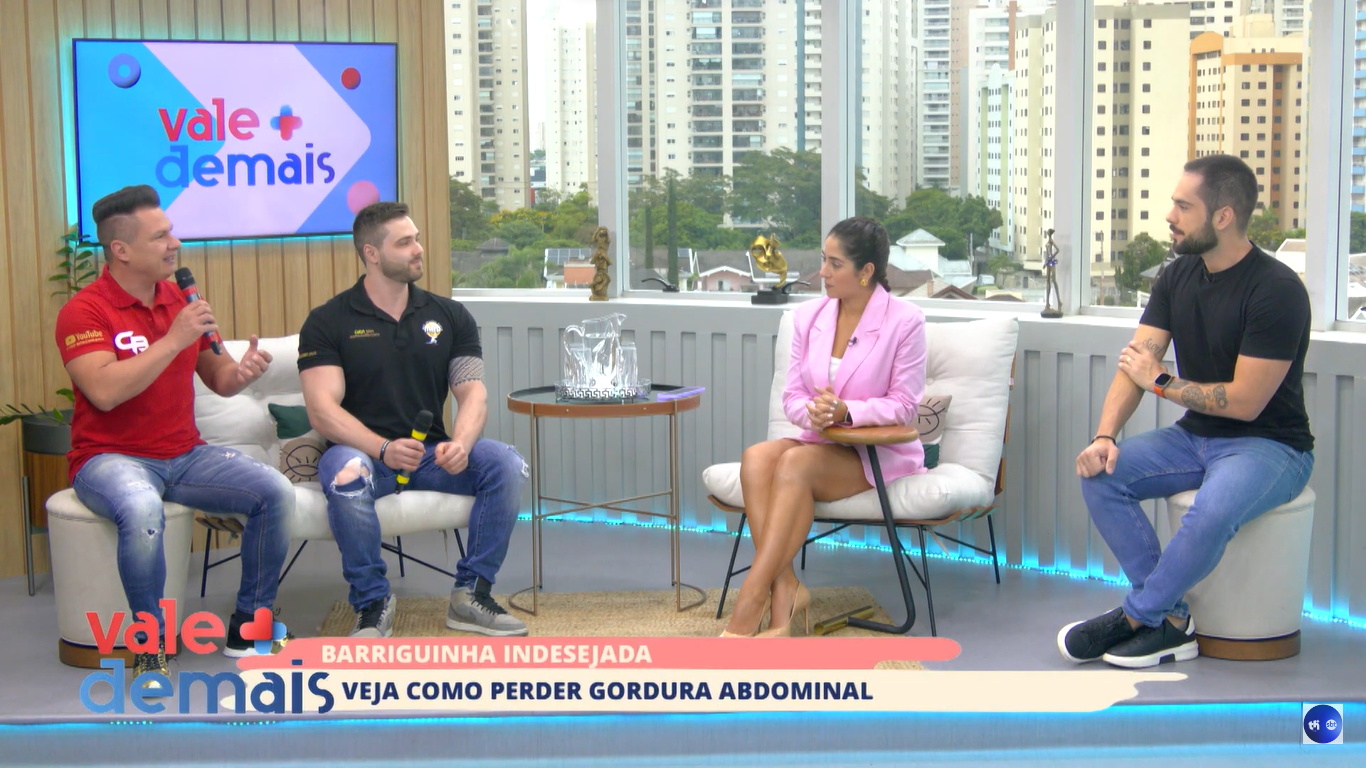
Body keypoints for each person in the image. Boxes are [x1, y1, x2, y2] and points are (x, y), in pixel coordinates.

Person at [1060, 154, 1314, 669]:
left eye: (1183, 206)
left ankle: (1135, 618)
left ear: (1223, 216)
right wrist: (1104, 436)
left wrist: (1161, 382)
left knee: (1211, 511)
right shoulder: (1176, 276)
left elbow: (1244, 402)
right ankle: (1172, 621)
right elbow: (1135, 364)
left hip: (1272, 445)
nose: (1170, 216)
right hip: (1194, 437)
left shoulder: (1277, 290)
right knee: (1102, 475)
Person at [55, 185, 292, 689]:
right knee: (142, 509)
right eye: (161, 236)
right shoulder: (85, 311)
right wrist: (172, 339)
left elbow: (219, 377)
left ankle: (250, 626)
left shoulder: (183, 301)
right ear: (121, 249)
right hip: (108, 458)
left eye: (172, 232)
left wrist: (243, 372)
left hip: (184, 454)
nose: (175, 243)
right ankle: (151, 646)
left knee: (273, 491)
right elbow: (103, 392)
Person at [298, 201, 529, 639]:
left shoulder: (450, 316)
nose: (418, 249)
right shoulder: (328, 321)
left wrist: (461, 443)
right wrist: (382, 448)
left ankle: (471, 594)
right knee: (346, 473)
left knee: (506, 463)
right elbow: (322, 409)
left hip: (431, 454)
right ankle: (372, 603)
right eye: (404, 242)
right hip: (364, 455)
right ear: (371, 253)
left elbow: (472, 391)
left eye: (417, 239)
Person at [721, 217, 928, 637]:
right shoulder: (808, 316)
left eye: (835, 264)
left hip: (876, 453)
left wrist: (846, 411)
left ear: (866, 271)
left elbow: (905, 406)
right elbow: (793, 396)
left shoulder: (906, 321)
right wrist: (814, 414)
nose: (822, 272)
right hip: (820, 440)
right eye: (823, 260)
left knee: (794, 464)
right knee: (756, 458)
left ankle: (752, 597)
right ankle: (786, 588)